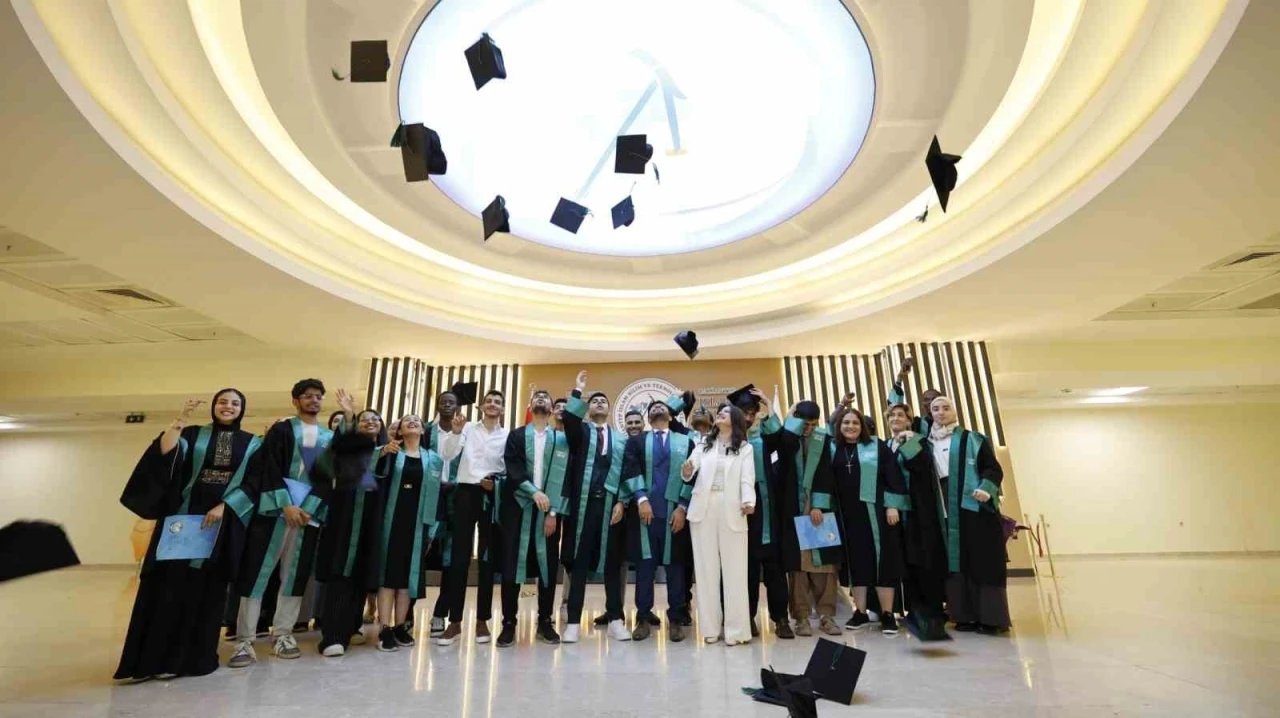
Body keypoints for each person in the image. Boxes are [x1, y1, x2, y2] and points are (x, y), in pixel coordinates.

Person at [115, 390, 263, 681]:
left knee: (206, 592)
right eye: (223, 402)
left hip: (220, 527)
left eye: (235, 403)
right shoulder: (192, 434)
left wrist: (226, 506)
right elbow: (164, 452)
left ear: (242, 409)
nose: (228, 407)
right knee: (167, 587)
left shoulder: (253, 444)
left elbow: (254, 483)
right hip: (181, 521)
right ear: (214, 406)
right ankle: (153, 661)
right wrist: (181, 418)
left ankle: (193, 660)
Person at [228, 379, 334, 667]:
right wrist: (285, 503)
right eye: (307, 396)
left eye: (318, 396)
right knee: (257, 573)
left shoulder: (328, 437)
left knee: (295, 576)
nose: (314, 400)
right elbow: (268, 467)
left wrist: (309, 509)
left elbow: (326, 478)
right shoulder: (282, 430)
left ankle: (283, 634)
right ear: (295, 401)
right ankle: (245, 640)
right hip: (274, 512)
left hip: (307, 517)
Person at [928, 396, 1010, 634]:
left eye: (946, 408)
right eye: (935, 409)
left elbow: (993, 469)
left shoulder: (973, 438)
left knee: (982, 559)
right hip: (944, 506)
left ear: (954, 411)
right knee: (955, 560)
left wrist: (986, 488)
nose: (941, 412)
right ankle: (963, 616)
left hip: (974, 505)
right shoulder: (927, 442)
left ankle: (991, 619)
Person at [559, 371, 630, 643]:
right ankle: (573, 622)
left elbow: (627, 472)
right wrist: (578, 390)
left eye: (603, 401)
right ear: (588, 409)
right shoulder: (582, 433)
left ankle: (615, 620)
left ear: (609, 410)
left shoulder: (621, 439)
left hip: (611, 507)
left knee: (612, 563)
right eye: (595, 401)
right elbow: (569, 420)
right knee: (579, 564)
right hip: (584, 508)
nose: (599, 403)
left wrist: (622, 501)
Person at [620, 393, 695, 641]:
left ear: (670, 415)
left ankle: (676, 618)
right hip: (646, 515)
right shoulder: (637, 442)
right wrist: (641, 499)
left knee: (676, 568)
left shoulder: (685, 442)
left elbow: (694, 476)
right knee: (645, 568)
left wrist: (682, 507)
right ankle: (643, 618)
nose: (657, 409)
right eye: (653, 408)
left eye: (662, 406)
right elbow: (630, 470)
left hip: (674, 514)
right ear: (648, 418)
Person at [314, 397, 386, 656]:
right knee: (341, 571)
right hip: (344, 518)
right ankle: (333, 635)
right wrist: (347, 416)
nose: (370, 422)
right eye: (364, 419)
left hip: (374, 521)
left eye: (375, 419)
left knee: (362, 574)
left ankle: (352, 626)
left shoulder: (390, 453)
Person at [496, 390, 569, 647]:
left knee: (547, 566)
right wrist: (534, 492)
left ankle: (545, 622)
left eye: (545, 397)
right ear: (530, 405)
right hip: (518, 508)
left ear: (552, 408)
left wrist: (553, 512)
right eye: (537, 396)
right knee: (512, 564)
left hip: (548, 512)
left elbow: (563, 479)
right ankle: (508, 623)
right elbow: (513, 468)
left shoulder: (560, 439)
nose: (540, 399)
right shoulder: (516, 436)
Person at [437, 390, 509, 645]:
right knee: (459, 558)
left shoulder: (507, 435)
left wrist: (496, 484)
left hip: (491, 494)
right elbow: (447, 454)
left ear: (502, 409)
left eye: (497, 402)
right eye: (489, 401)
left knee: (487, 560)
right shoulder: (466, 427)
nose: (492, 404)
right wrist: (456, 433)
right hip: (465, 493)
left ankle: (482, 621)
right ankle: (454, 622)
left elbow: (508, 468)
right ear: (481, 407)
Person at [830, 407, 909, 635]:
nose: (851, 427)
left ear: (862, 426)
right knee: (857, 562)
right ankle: (860, 612)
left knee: (884, 561)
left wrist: (892, 505)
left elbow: (892, 475)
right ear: (839, 426)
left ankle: (887, 614)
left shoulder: (876, 445)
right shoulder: (833, 448)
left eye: (855, 423)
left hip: (877, 514)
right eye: (846, 423)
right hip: (847, 516)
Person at [682, 403, 756, 645]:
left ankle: (736, 631)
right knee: (706, 572)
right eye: (720, 413)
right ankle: (710, 629)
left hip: (732, 508)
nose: (720, 415)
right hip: (703, 509)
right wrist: (687, 470)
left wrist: (748, 501)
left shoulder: (745, 448)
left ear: (735, 420)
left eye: (725, 413)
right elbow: (689, 470)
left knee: (735, 572)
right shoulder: (704, 444)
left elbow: (747, 479)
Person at [372, 414, 446, 652]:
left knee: (407, 577)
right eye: (407, 421)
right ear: (400, 431)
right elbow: (372, 473)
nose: (413, 422)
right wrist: (382, 452)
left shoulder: (433, 459)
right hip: (391, 520)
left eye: (417, 421)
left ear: (423, 430)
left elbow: (437, 495)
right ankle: (384, 628)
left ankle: (399, 626)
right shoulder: (391, 453)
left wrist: (432, 527)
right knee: (388, 575)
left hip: (418, 524)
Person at [777, 401, 843, 637]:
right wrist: (790, 424)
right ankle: (801, 617)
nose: (810, 429)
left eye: (814, 425)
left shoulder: (823, 439)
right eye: (805, 425)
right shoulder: (786, 438)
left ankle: (826, 616)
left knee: (824, 566)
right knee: (799, 567)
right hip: (791, 508)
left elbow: (827, 473)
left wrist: (818, 505)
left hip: (818, 509)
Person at [885, 403, 950, 641]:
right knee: (905, 562)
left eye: (900, 415)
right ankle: (911, 610)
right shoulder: (886, 445)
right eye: (891, 415)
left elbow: (921, 467)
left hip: (919, 510)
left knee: (923, 560)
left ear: (909, 420)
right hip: (895, 511)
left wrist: (907, 442)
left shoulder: (920, 441)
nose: (895, 418)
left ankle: (931, 612)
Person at [733, 390, 793, 639]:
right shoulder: (727, 439)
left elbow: (784, 441)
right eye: (744, 413)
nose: (748, 418)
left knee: (775, 571)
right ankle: (747, 618)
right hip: (740, 513)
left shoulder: (764, 437)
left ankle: (781, 619)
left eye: (752, 413)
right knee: (745, 573)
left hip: (768, 512)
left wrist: (769, 405)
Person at [424, 391, 462, 638]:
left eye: (452, 402)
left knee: (452, 559)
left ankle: (440, 612)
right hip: (429, 497)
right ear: (437, 405)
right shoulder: (426, 431)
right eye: (443, 401)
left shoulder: (466, 432)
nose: (447, 404)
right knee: (420, 553)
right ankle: (406, 618)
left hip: (457, 499)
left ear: (457, 406)